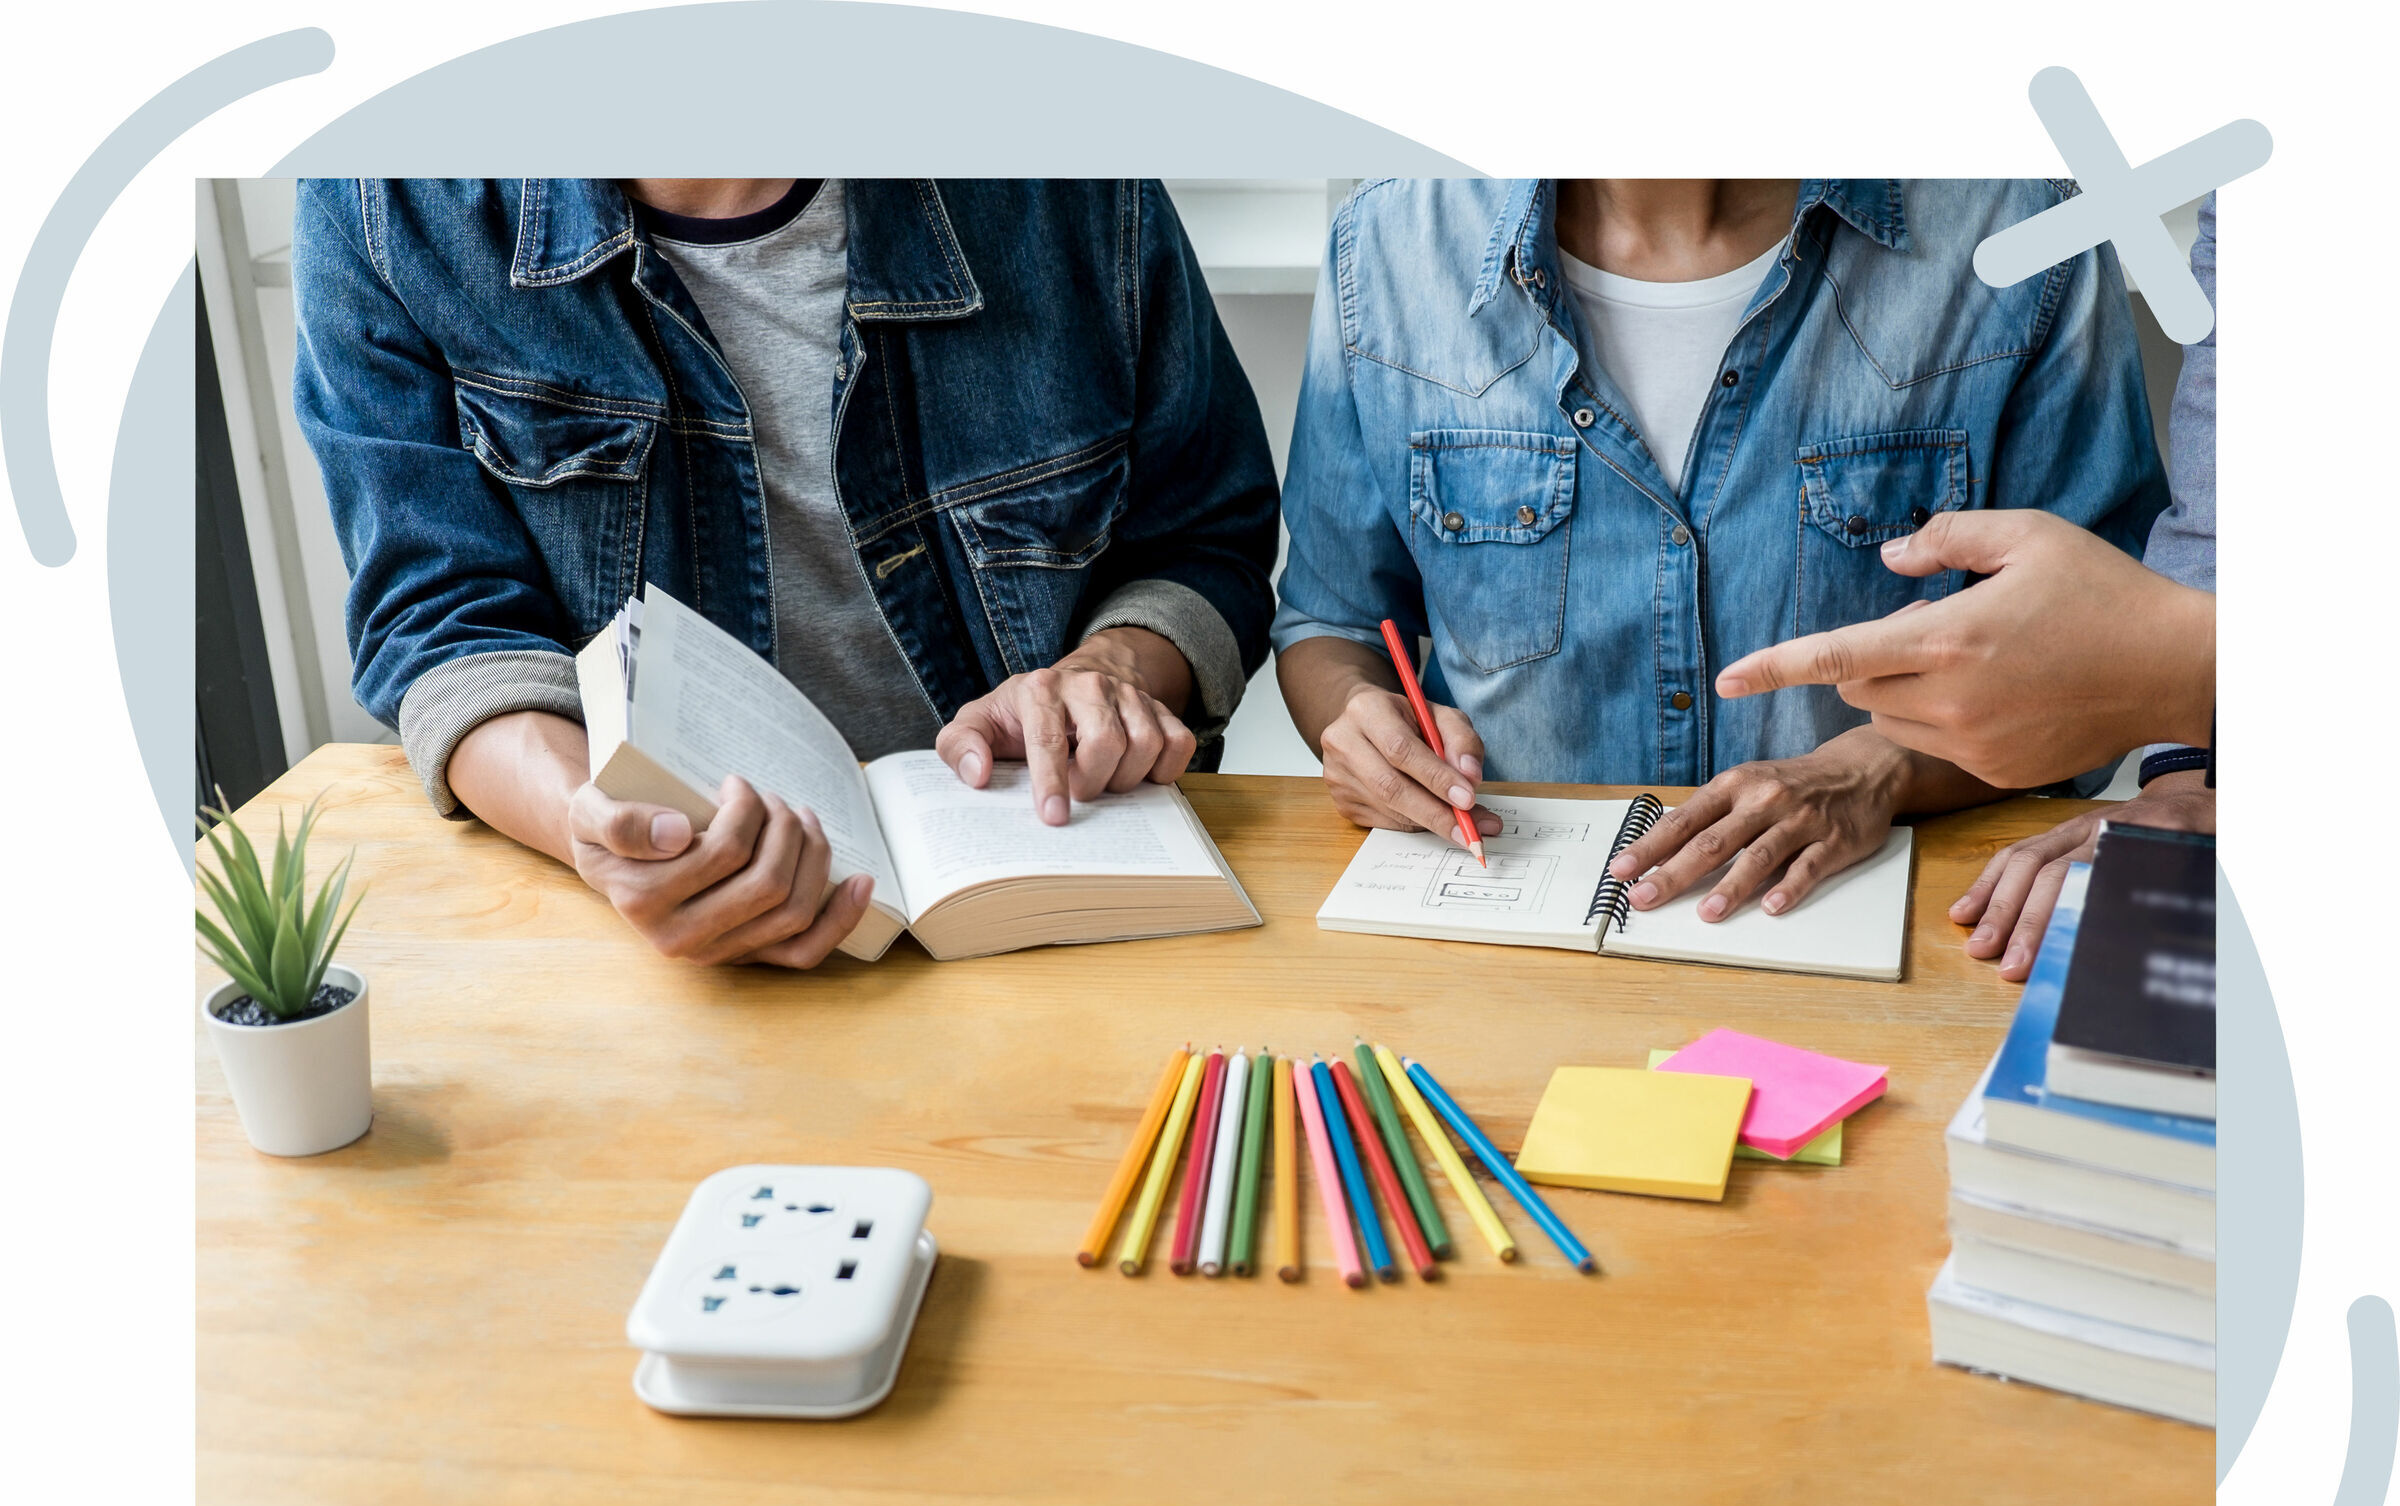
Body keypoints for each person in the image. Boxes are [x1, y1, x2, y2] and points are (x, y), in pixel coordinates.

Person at [292, 178, 1279, 969]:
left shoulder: (1066, 178)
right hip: (652, 944)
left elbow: (1203, 538)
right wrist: (595, 829)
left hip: (1051, 902)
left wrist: (1109, 673)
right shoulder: (382, 204)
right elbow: (444, 624)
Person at [1271, 178, 2168, 923]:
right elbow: (1331, 616)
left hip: (1879, 918)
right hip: (1503, 918)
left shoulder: (2022, 238)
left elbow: (2104, 671)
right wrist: (1357, 722)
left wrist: (1879, 770)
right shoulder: (1384, 251)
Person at [1714, 194, 2219, 978]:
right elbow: (2220, 526)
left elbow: (2119, 657)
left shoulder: (2019, 223)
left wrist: (2185, 688)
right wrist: (2194, 777)